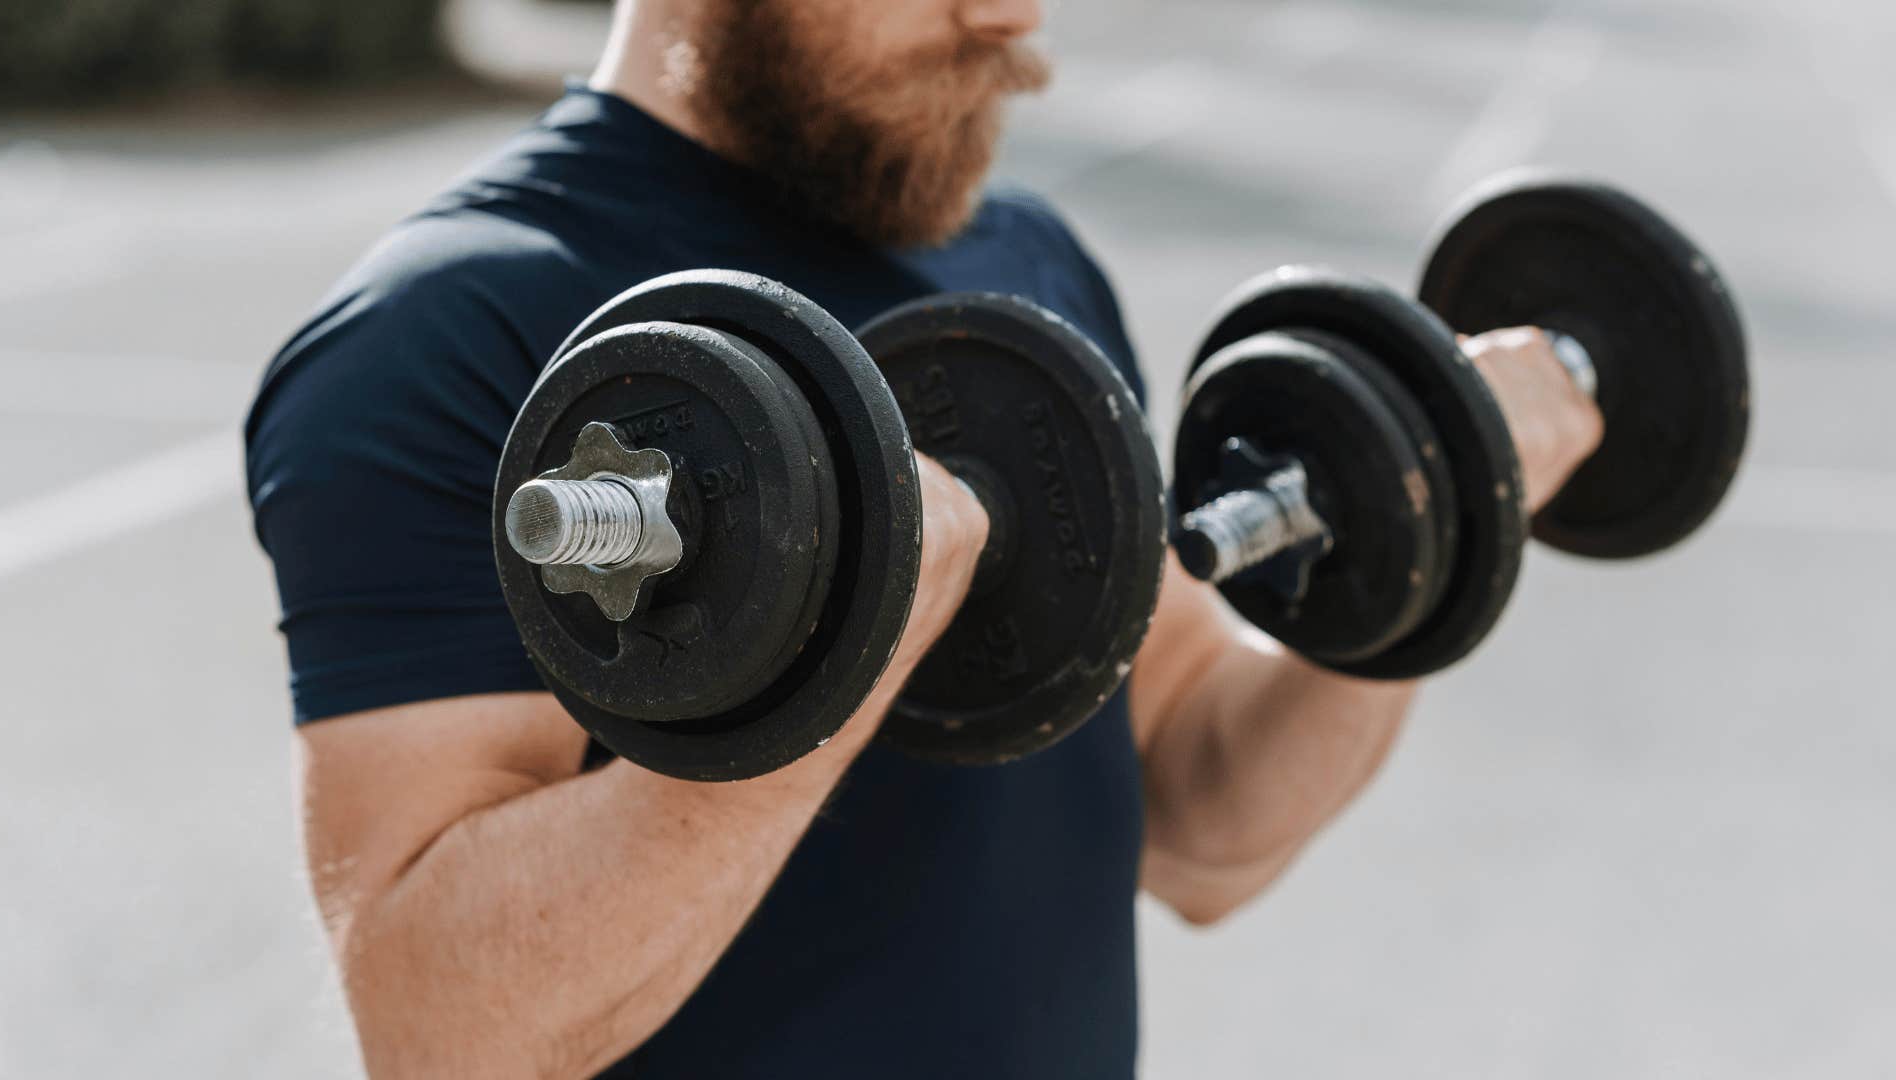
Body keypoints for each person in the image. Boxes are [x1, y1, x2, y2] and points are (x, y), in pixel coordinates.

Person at [243, 0, 1603, 1076]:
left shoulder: (1025, 269)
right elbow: (444, 1038)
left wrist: (1426, 539)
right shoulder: (447, 334)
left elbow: (1196, 822)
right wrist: (838, 654)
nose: (1016, 16)